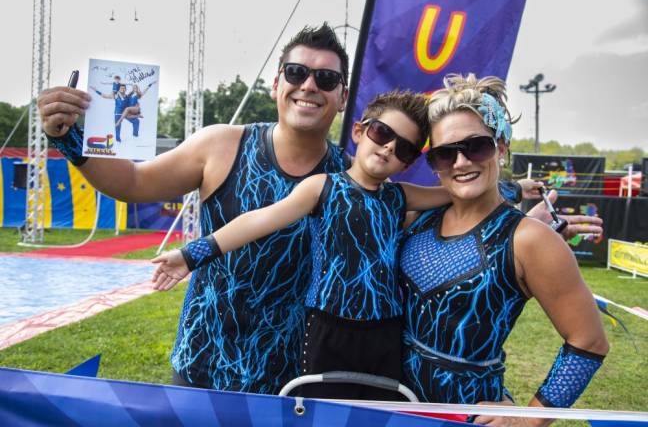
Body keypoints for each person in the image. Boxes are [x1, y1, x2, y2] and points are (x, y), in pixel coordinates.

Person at [36, 23, 602, 394]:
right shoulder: (223, 145)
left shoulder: (369, 185)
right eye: (297, 73)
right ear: (279, 83)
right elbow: (134, 181)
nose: (309, 85)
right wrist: (73, 142)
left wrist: (529, 212)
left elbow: (460, 204)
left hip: (305, 373)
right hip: (207, 362)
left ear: (340, 97)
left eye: (326, 78)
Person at [151, 91, 453, 399]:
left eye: (404, 148)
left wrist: (496, 183)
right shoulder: (322, 187)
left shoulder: (400, 196)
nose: (389, 146)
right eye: (382, 133)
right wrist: (192, 254)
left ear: (408, 163)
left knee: (378, 416)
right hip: (326, 330)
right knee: (320, 415)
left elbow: (454, 191)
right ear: (359, 131)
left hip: (385, 332)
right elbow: (258, 220)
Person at [398, 74, 609, 425]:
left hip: (467, 414)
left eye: (476, 146)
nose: (461, 162)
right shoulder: (418, 218)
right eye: (445, 153)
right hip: (392, 406)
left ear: (501, 147)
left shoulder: (530, 239)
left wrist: (527, 419)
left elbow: (589, 341)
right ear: (433, 164)